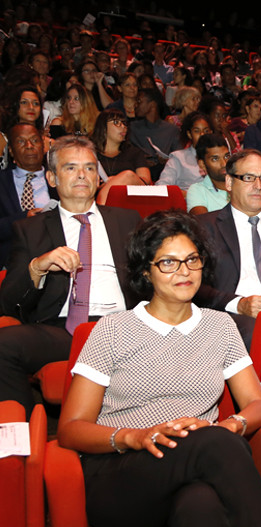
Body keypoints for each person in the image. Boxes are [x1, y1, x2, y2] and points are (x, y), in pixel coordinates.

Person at [56, 209, 261, 527]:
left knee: (202, 509)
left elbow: (256, 406)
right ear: (145, 271)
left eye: (192, 260)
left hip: (197, 467)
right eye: (168, 262)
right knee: (213, 447)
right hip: (120, 475)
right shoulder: (112, 330)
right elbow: (71, 430)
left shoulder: (220, 327)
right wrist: (135, 437)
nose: (183, 271)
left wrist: (228, 427)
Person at [0, 136, 140, 416]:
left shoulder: (127, 220)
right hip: (62, 330)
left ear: (98, 178)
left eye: (89, 168)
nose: (81, 175)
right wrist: (37, 268)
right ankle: (24, 441)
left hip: (121, 326)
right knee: (3, 346)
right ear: (51, 178)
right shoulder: (30, 230)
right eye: (71, 168)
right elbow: (8, 303)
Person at [196, 150, 261, 348]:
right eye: (248, 178)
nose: (258, 186)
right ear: (229, 183)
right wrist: (239, 304)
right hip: (233, 316)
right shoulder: (203, 227)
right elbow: (194, 286)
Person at [0, 124, 52, 269]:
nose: (29, 146)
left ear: (43, 147)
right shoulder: (2, 182)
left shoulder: (59, 179)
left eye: (35, 140)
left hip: (54, 257)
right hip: (11, 263)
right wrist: (23, 218)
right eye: (21, 141)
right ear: (11, 150)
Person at [156, 112, 212, 190]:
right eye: (197, 131)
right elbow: (162, 186)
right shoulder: (178, 157)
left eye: (206, 131)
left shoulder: (219, 156)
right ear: (189, 134)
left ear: (211, 133)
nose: (202, 134)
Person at [186, 133, 231, 215]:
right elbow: (203, 224)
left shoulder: (242, 182)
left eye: (226, 157)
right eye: (215, 159)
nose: (224, 164)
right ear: (202, 164)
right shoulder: (197, 190)